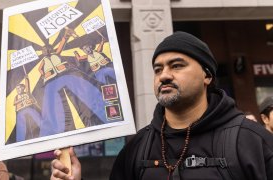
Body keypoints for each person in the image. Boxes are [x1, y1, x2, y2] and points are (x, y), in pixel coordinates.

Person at [50, 31, 273, 180]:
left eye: (177, 66)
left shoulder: (254, 142)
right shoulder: (136, 149)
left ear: (207, 76)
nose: (164, 75)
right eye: (158, 69)